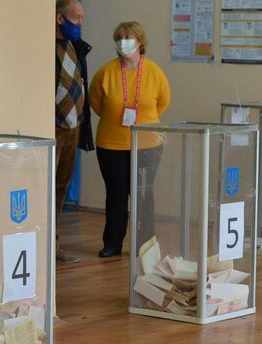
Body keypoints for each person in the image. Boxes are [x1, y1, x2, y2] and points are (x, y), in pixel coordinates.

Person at [88, 21, 170, 258]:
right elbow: (96, 102)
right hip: (111, 143)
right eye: (119, 37)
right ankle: (113, 243)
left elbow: (163, 101)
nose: (122, 41)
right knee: (116, 194)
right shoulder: (106, 72)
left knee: (144, 194)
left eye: (128, 37)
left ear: (140, 41)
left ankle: (144, 245)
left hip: (147, 144)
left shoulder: (154, 72)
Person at [54, 0, 93, 263]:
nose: (80, 23)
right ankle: (44, 242)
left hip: (73, 126)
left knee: (62, 184)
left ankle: (54, 241)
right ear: (60, 18)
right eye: (76, 18)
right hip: (52, 128)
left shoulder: (76, 46)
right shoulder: (44, 46)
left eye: (81, 18)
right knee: (46, 187)